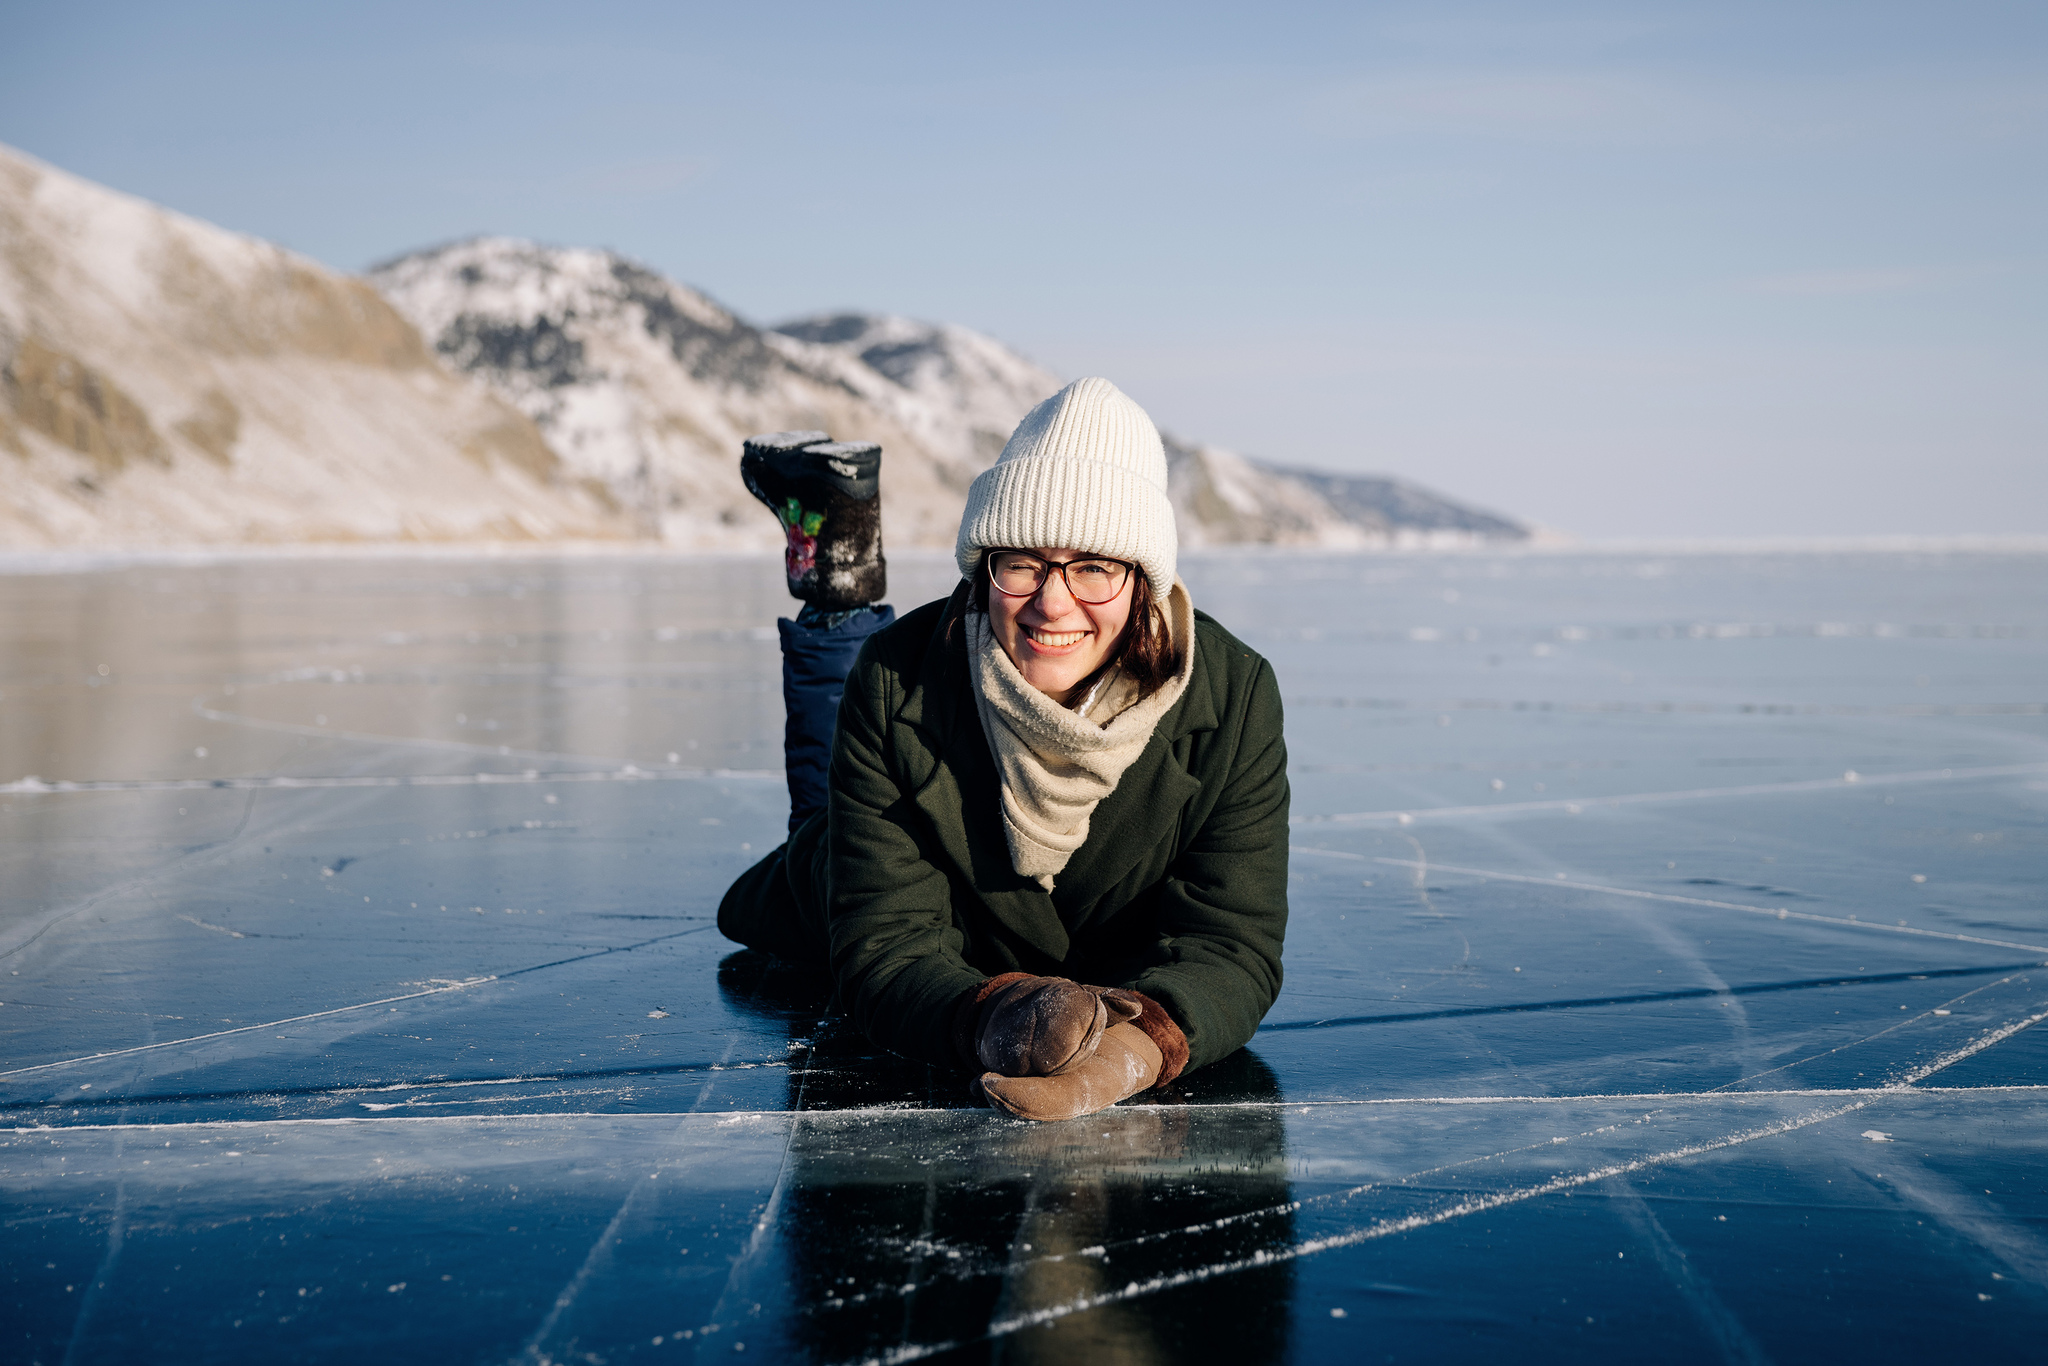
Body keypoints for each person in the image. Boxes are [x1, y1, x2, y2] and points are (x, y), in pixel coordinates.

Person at [718, 377, 1289, 1122]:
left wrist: (1139, 1044)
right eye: (1020, 561)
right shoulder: (897, 683)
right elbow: (886, 943)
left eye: (1094, 565)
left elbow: (1231, 944)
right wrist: (1002, 1017)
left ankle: (841, 545)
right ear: (983, 565)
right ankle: (838, 578)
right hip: (847, 866)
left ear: (1145, 581)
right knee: (808, 855)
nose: (1053, 601)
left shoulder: (1234, 696)